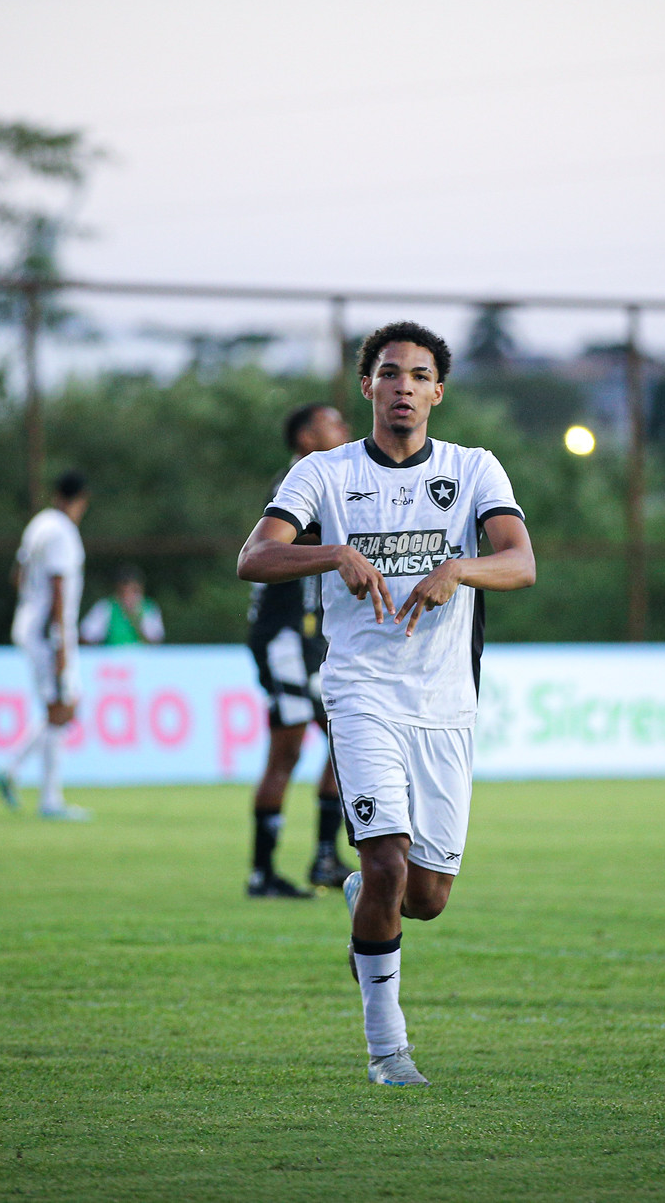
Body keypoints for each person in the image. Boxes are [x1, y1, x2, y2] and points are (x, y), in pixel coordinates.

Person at [236, 321, 535, 1088]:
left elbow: (521, 563)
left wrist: (459, 569)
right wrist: (334, 550)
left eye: (420, 374)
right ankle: (387, 1050)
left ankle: (369, 894)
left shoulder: (473, 469)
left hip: (444, 703)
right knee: (386, 861)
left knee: (425, 896)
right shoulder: (324, 474)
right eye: (390, 372)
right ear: (367, 385)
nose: (404, 385)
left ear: (438, 392)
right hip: (360, 693)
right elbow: (254, 556)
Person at [244, 402, 353, 900]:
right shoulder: (295, 484)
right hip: (283, 636)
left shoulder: (325, 482)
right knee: (286, 751)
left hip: (311, 638)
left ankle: (323, 858)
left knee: (343, 738)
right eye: (333, 424)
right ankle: (262, 872)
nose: (345, 430)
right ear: (307, 437)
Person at [0, 471, 92, 820]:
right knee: (61, 707)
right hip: (48, 634)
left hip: (29, 625)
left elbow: (17, 574)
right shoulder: (64, 533)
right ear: (80, 500)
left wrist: (28, 603)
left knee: (64, 707)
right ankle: (47, 797)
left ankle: (14, 773)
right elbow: (59, 588)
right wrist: (60, 642)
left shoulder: (39, 524)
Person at [79, 566, 165, 646]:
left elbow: (156, 639)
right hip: (113, 659)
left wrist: (135, 618)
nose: (129, 595)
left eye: (134, 590)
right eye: (125, 590)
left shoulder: (149, 608)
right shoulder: (106, 607)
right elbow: (86, 636)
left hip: (142, 660)